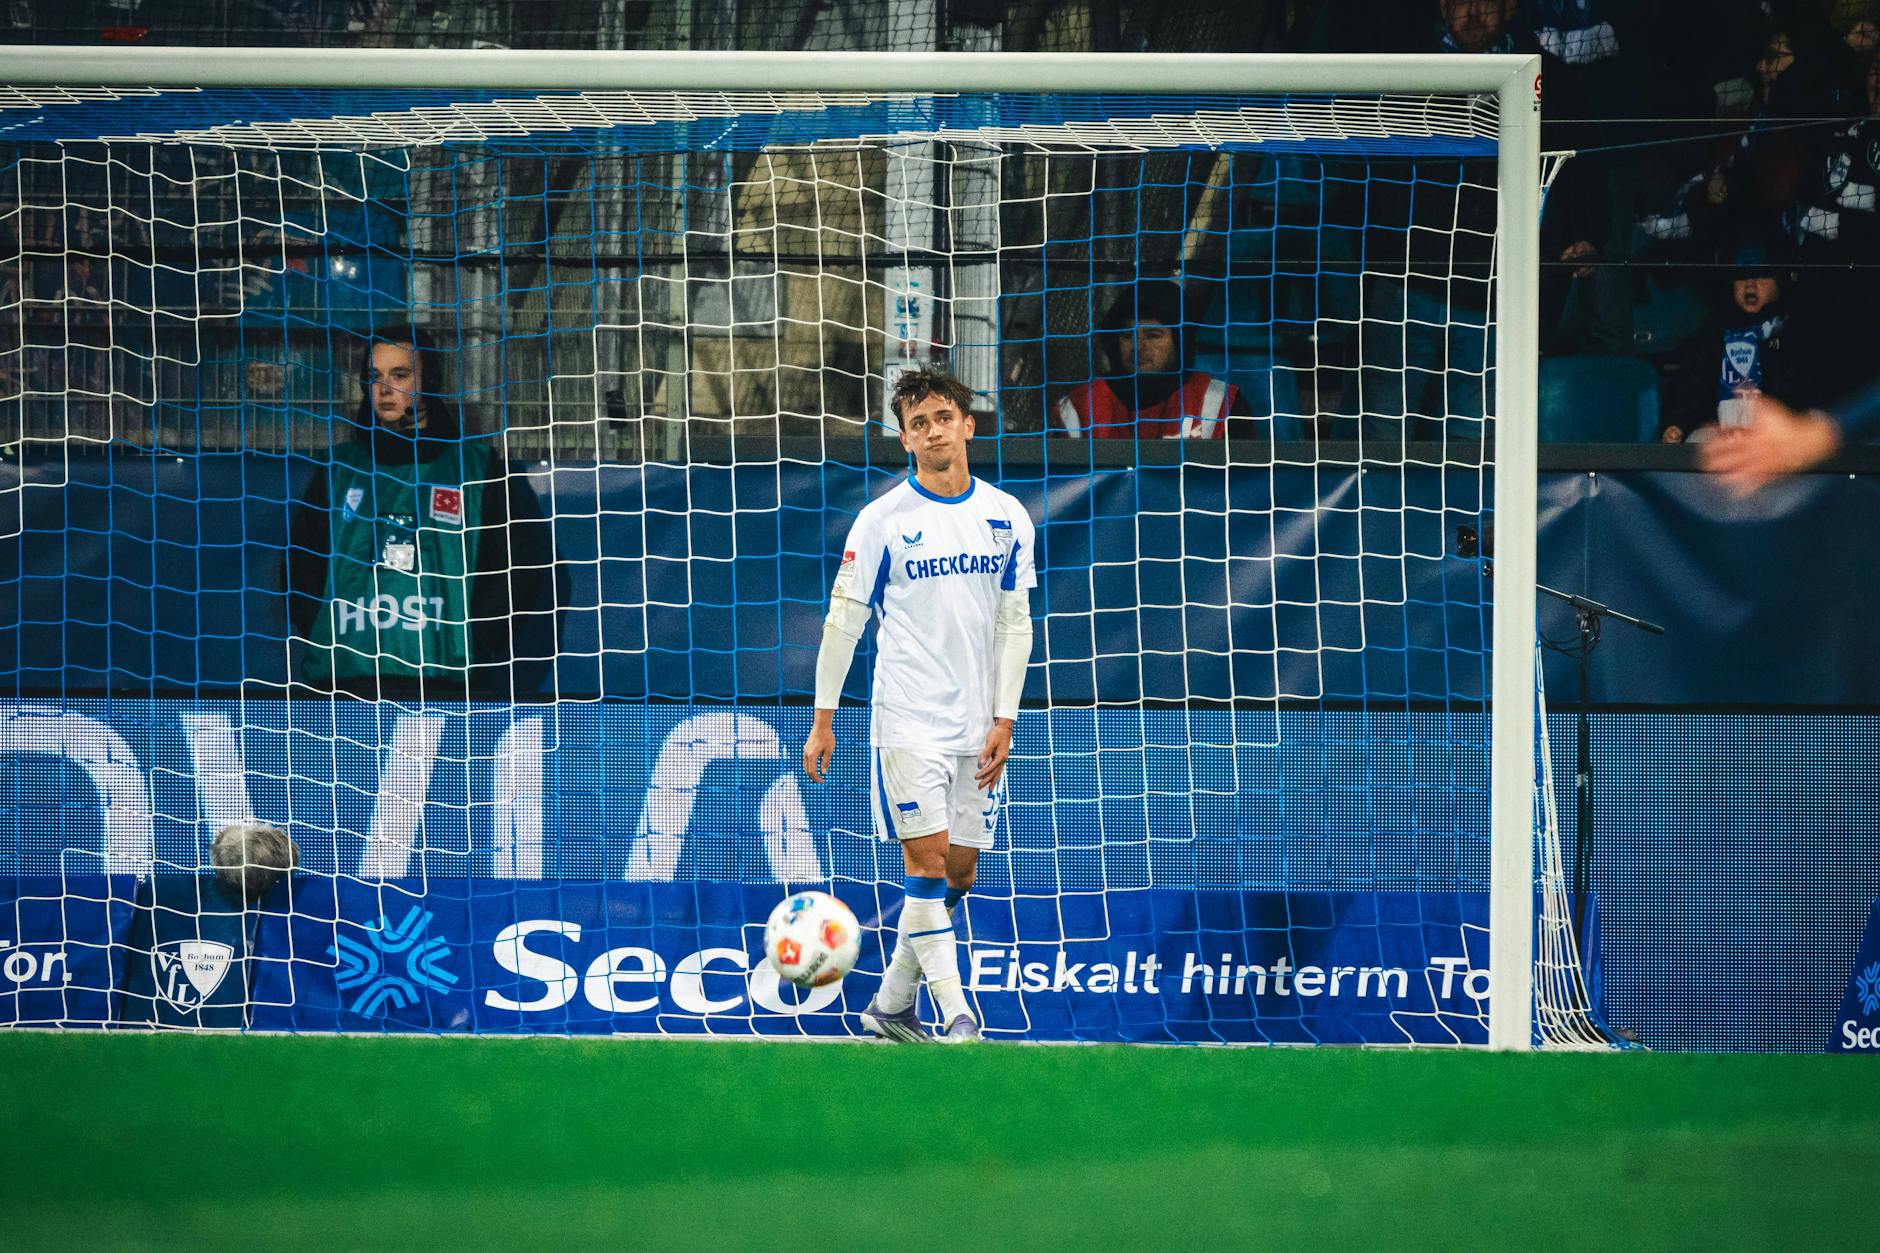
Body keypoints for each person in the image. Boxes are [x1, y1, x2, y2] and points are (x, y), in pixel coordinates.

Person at [801, 368, 1036, 1043]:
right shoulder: (881, 522)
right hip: (906, 720)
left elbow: (1014, 624)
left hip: (979, 725)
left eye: (943, 416)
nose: (934, 430)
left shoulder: (1007, 516)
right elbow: (843, 622)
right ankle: (958, 1013)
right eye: (919, 423)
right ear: (905, 440)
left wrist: (1005, 717)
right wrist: (824, 719)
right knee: (926, 864)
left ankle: (891, 1003)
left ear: (968, 422)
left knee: (959, 871)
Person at [285, 324, 558, 702]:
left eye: (400, 375)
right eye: (374, 376)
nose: (384, 389)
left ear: (428, 379)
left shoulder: (476, 467)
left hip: (448, 682)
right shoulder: (339, 469)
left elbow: (523, 566)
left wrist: (475, 638)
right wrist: (328, 630)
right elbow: (299, 567)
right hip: (348, 682)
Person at [1054, 281, 1254, 440]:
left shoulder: (1220, 404)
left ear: (1179, 341)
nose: (1139, 347)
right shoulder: (1081, 405)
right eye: (1127, 336)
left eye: (1153, 335)